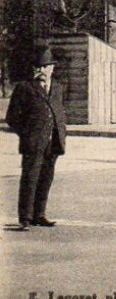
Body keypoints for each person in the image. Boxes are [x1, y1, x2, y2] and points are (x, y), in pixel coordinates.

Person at [5, 42, 67, 229]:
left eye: (46, 67)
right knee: (30, 178)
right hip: (33, 142)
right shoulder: (25, 88)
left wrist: (61, 130)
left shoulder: (57, 87)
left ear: (52, 68)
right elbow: (12, 117)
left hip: (53, 141)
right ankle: (25, 217)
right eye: (38, 67)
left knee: (46, 178)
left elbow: (60, 110)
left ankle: (39, 214)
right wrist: (27, 134)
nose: (42, 70)